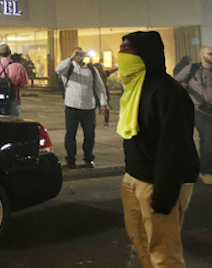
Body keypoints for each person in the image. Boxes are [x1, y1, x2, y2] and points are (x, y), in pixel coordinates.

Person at [117, 31, 199, 267]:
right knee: (141, 244)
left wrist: (163, 194)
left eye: (127, 49)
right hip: (135, 178)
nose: (120, 53)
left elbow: (174, 146)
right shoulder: (135, 88)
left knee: (164, 253)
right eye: (120, 48)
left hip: (158, 184)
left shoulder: (166, 90)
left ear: (145, 54)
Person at [56, 48, 108, 169]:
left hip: (88, 107)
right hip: (72, 106)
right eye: (77, 54)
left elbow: (99, 87)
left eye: (81, 54)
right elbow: (58, 70)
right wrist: (71, 57)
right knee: (70, 134)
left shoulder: (91, 69)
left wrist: (103, 103)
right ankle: (70, 159)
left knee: (89, 135)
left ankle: (88, 158)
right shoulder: (68, 68)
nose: (79, 56)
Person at [175, 45, 212, 185]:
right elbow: (175, 82)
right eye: (209, 53)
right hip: (198, 109)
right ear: (202, 55)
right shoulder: (192, 69)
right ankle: (207, 171)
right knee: (208, 137)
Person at [0, 44, 29, 116]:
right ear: (10, 53)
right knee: (14, 123)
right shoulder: (18, 67)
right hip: (13, 99)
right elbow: (24, 84)